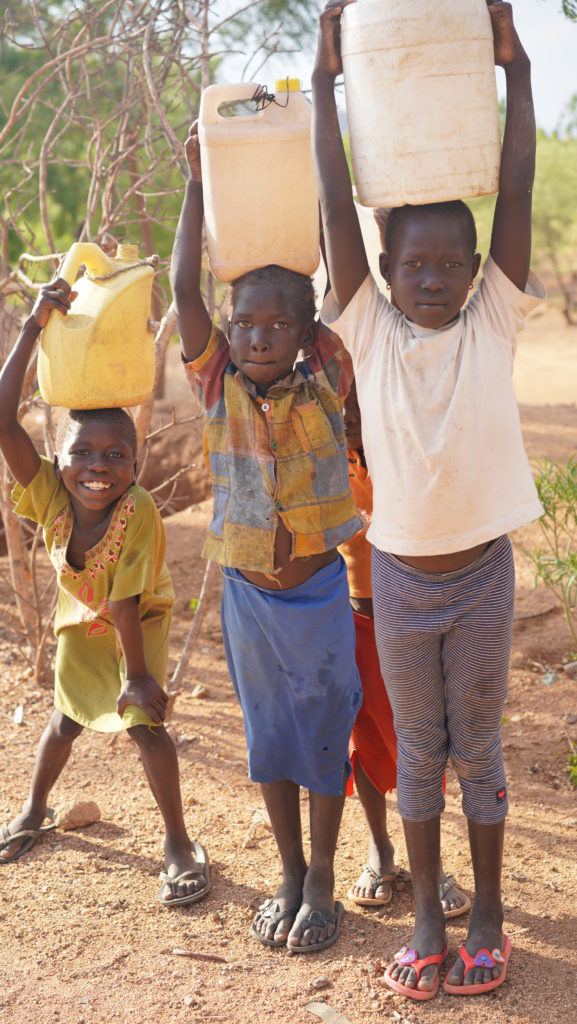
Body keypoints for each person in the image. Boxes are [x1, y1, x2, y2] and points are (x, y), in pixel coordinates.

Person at [313, 0, 545, 999]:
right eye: (416, 264)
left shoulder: (492, 317)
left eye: (453, 262)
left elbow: (516, 188)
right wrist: (325, 86)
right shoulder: (366, 329)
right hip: (401, 582)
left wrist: (517, 75)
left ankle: (486, 915)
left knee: (479, 745)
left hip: (481, 576)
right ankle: (424, 919)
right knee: (417, 752)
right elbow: (334, 200)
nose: (437, 278)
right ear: (385, 271)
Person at [171, 121, 362, 953]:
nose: (255, 336)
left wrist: (308, 186)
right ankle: (288, 870)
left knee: (323, 736)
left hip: (319, 594)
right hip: (248, 596)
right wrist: (195, 184)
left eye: (273, 325)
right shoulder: (217, 385)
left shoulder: (324, 372)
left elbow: (336, 291)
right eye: (243, 323)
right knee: (271, 738)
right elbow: (184, 289)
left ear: (300, 331)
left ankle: (322, 875)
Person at [0, 282, 209, 908]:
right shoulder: (50, 495)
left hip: (133, 628)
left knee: (144, 727)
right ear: (57, 458)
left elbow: (124, 600)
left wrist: (139, 678)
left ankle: (178, 841)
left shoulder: (138, 510)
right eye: (83, 453)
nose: (99, 466)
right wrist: (34, 327)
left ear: (136, 464)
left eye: (116, 455)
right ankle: (35, 809)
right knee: (65, 720)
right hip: (79, 621)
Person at [340, 380, 471, 921]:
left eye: (358, 411)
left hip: (411, 616)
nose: (350, 422)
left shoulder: (409, 458)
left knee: (416, 737)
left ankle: (432, 865)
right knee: (363, 733)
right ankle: (381, 850)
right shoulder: (332, 463)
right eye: (342, 412)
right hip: (349, 615)